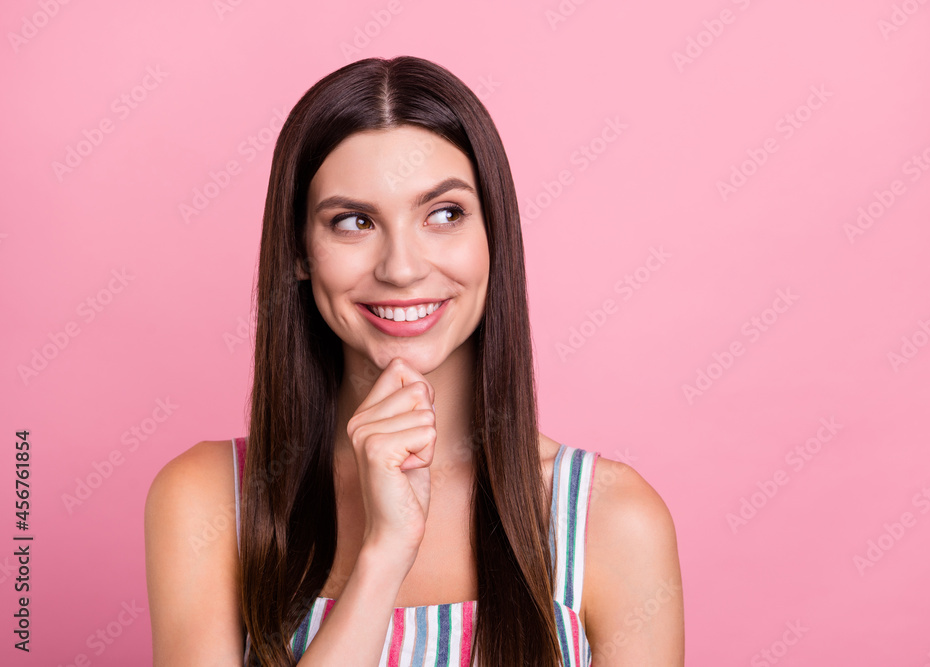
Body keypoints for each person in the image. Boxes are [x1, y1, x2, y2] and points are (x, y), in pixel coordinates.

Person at [144, 55, 683, 666]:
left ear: (493, 236)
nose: (400, 268)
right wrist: (383, 556)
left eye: (444, 214)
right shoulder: (212, 501)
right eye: (353, 222)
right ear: (299, 252)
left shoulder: (610, 521)